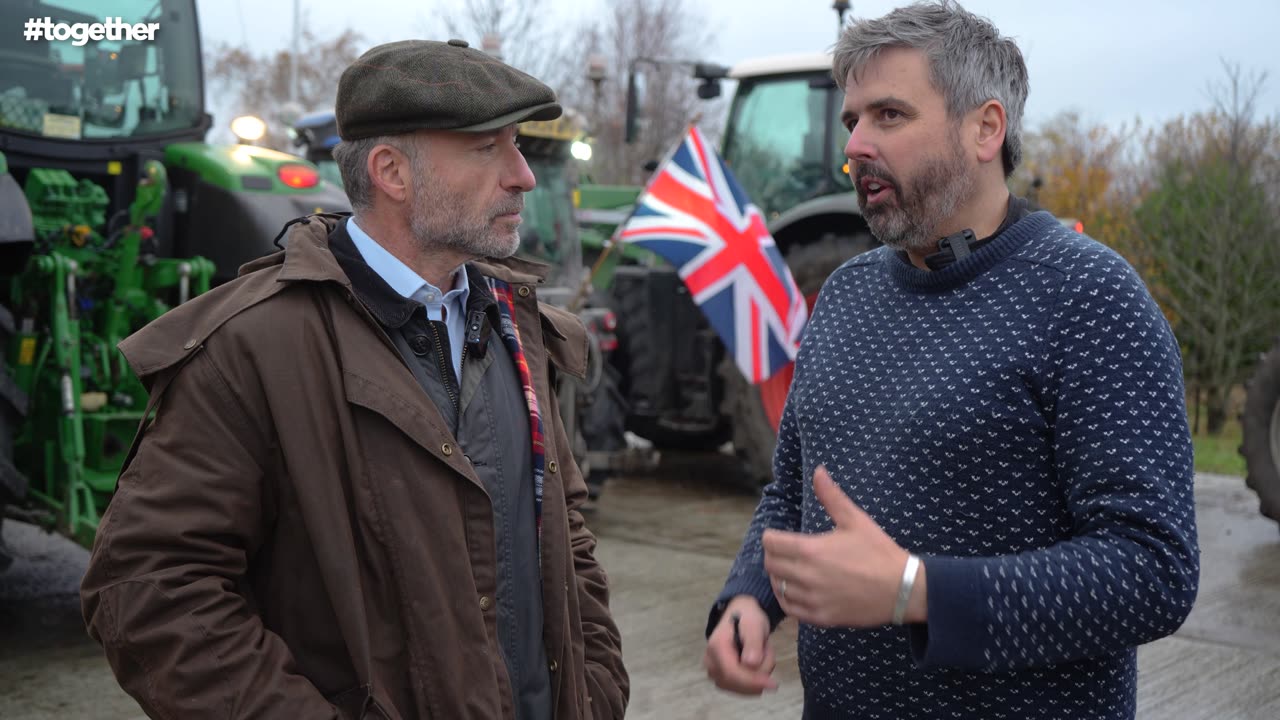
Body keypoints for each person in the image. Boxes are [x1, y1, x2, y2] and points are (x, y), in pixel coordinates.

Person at [81, 39, 628, 720]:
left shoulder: (518, 330)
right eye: (488, 148)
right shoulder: (254, 348)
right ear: (392, 171)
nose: (522, 175)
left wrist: (596, 689)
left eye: (516, 146)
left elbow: (565, 537)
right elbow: (151, 589)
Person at [702, 2, 1199, 718]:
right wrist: (750, 595)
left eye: (890, 116)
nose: (857, 148)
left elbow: (1154, 571)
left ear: (985, 128)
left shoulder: (1088, 296)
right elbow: (790, 492)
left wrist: (915, 590)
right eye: (853, 123)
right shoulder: (844, 293)